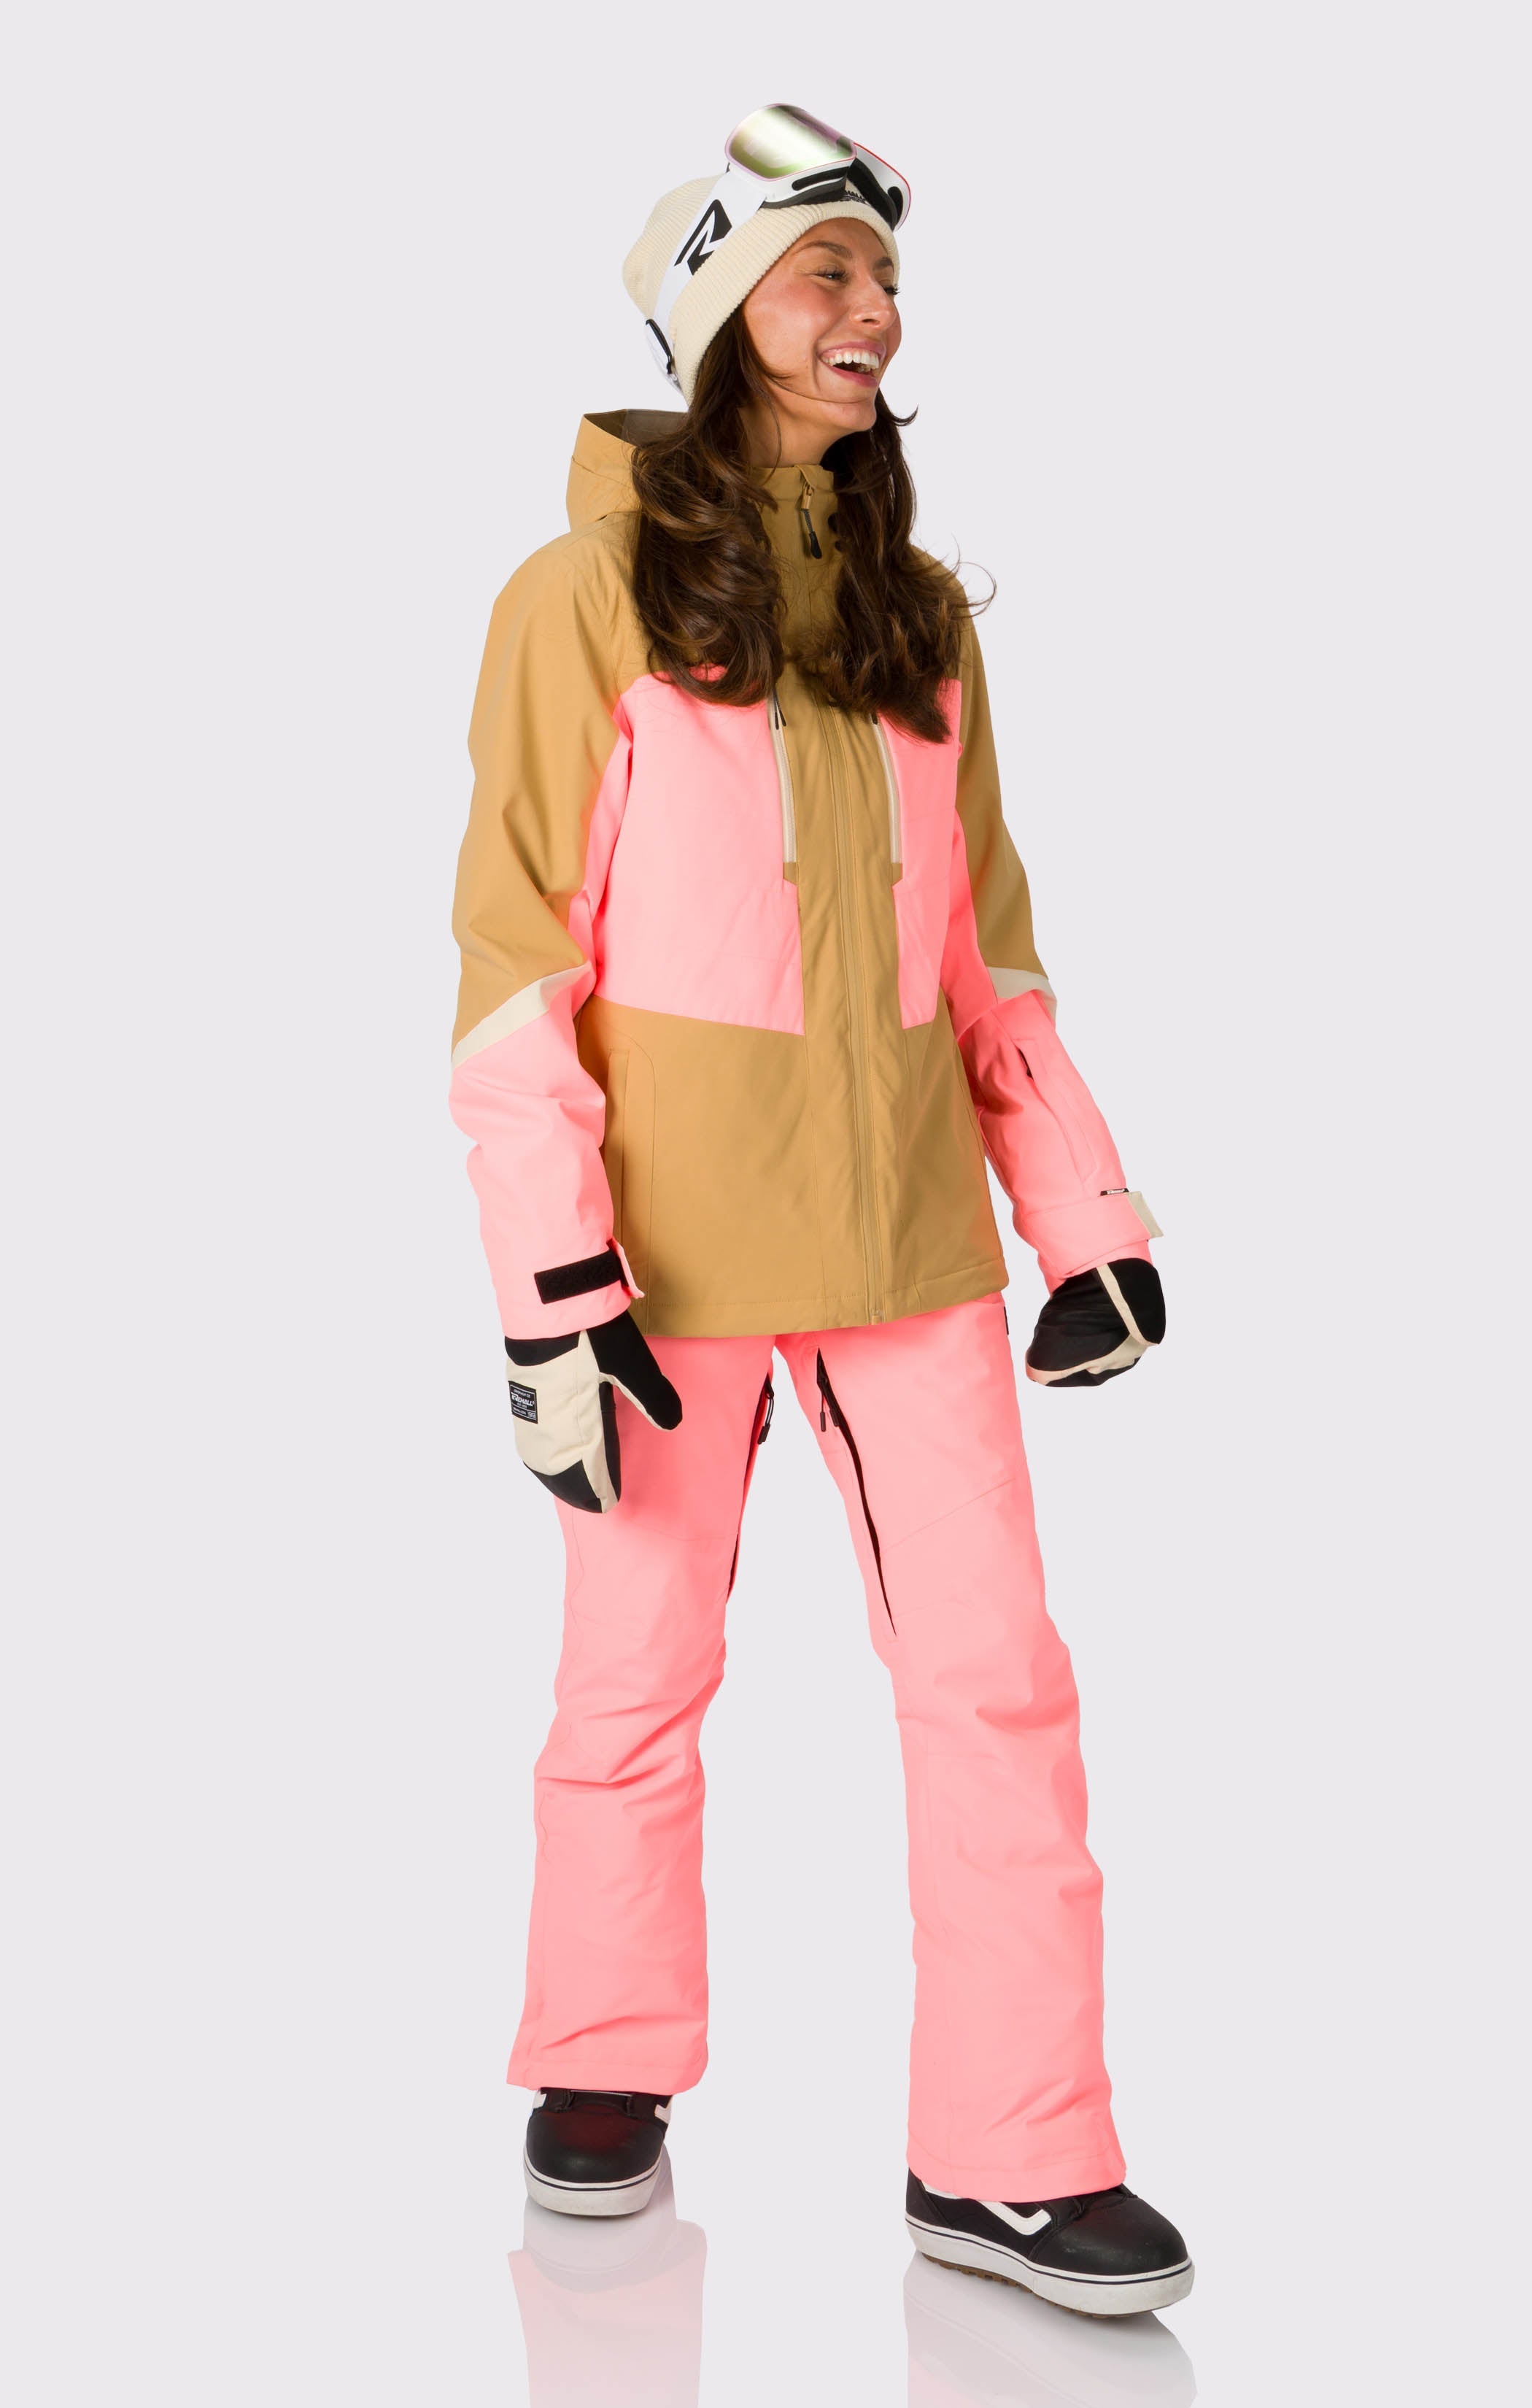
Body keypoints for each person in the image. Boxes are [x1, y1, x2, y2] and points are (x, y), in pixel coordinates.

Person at [449, 104, 1192, 2318]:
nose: (874, 314)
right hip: (661, 1258)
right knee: (634, 1674)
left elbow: (989, 956)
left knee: (999, 1690)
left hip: (906, 1248)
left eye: (883, 279)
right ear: (719, 316)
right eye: (826, 275)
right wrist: (552, 1287)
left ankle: (1015, 2157)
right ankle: (602, 2059)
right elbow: (514, 965)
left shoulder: (921, 619)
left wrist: (1084, 1217)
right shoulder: (579, 602)